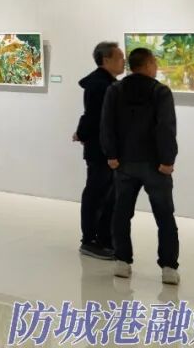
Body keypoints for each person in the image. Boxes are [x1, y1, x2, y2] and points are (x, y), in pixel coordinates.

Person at [100, 47, 180, 285]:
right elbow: (166, 127)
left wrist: (111, 154)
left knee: (122, 213)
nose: (156, 67)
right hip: (155, 165)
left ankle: (122, 261)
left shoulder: (115, 90)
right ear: (147, 65)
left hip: (124, 163)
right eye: (154, 63)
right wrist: (167, 160)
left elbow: (107, 124)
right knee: (164, 216)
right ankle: (168, 267)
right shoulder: (160, 92)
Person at [74, 41, 124, 260]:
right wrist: (83, 133)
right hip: (100, 149)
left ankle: (104, 238)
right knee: (96, 194)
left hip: (108, 148)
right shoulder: (99, 85)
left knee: (108, 195)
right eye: (119, 57)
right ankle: (90, 240)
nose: (123, 61)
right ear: (106, 60)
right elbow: (94, 116)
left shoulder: (107, 83)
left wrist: (81, 133)